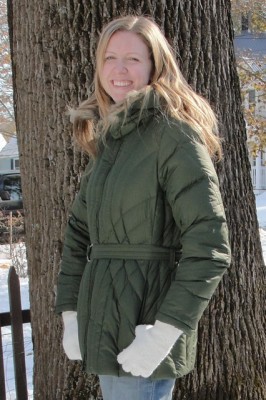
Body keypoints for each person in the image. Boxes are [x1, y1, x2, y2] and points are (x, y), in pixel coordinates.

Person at [55, 15, 231, 400]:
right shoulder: (114, 141)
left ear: (155, 66)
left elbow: (210, 248)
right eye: (110, 58)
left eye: (133, 59)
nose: (119, 69)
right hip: (105, 326)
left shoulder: (174, 136)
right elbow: (78, 234)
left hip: (143, 330)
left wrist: (164, 333)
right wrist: (71, 313)